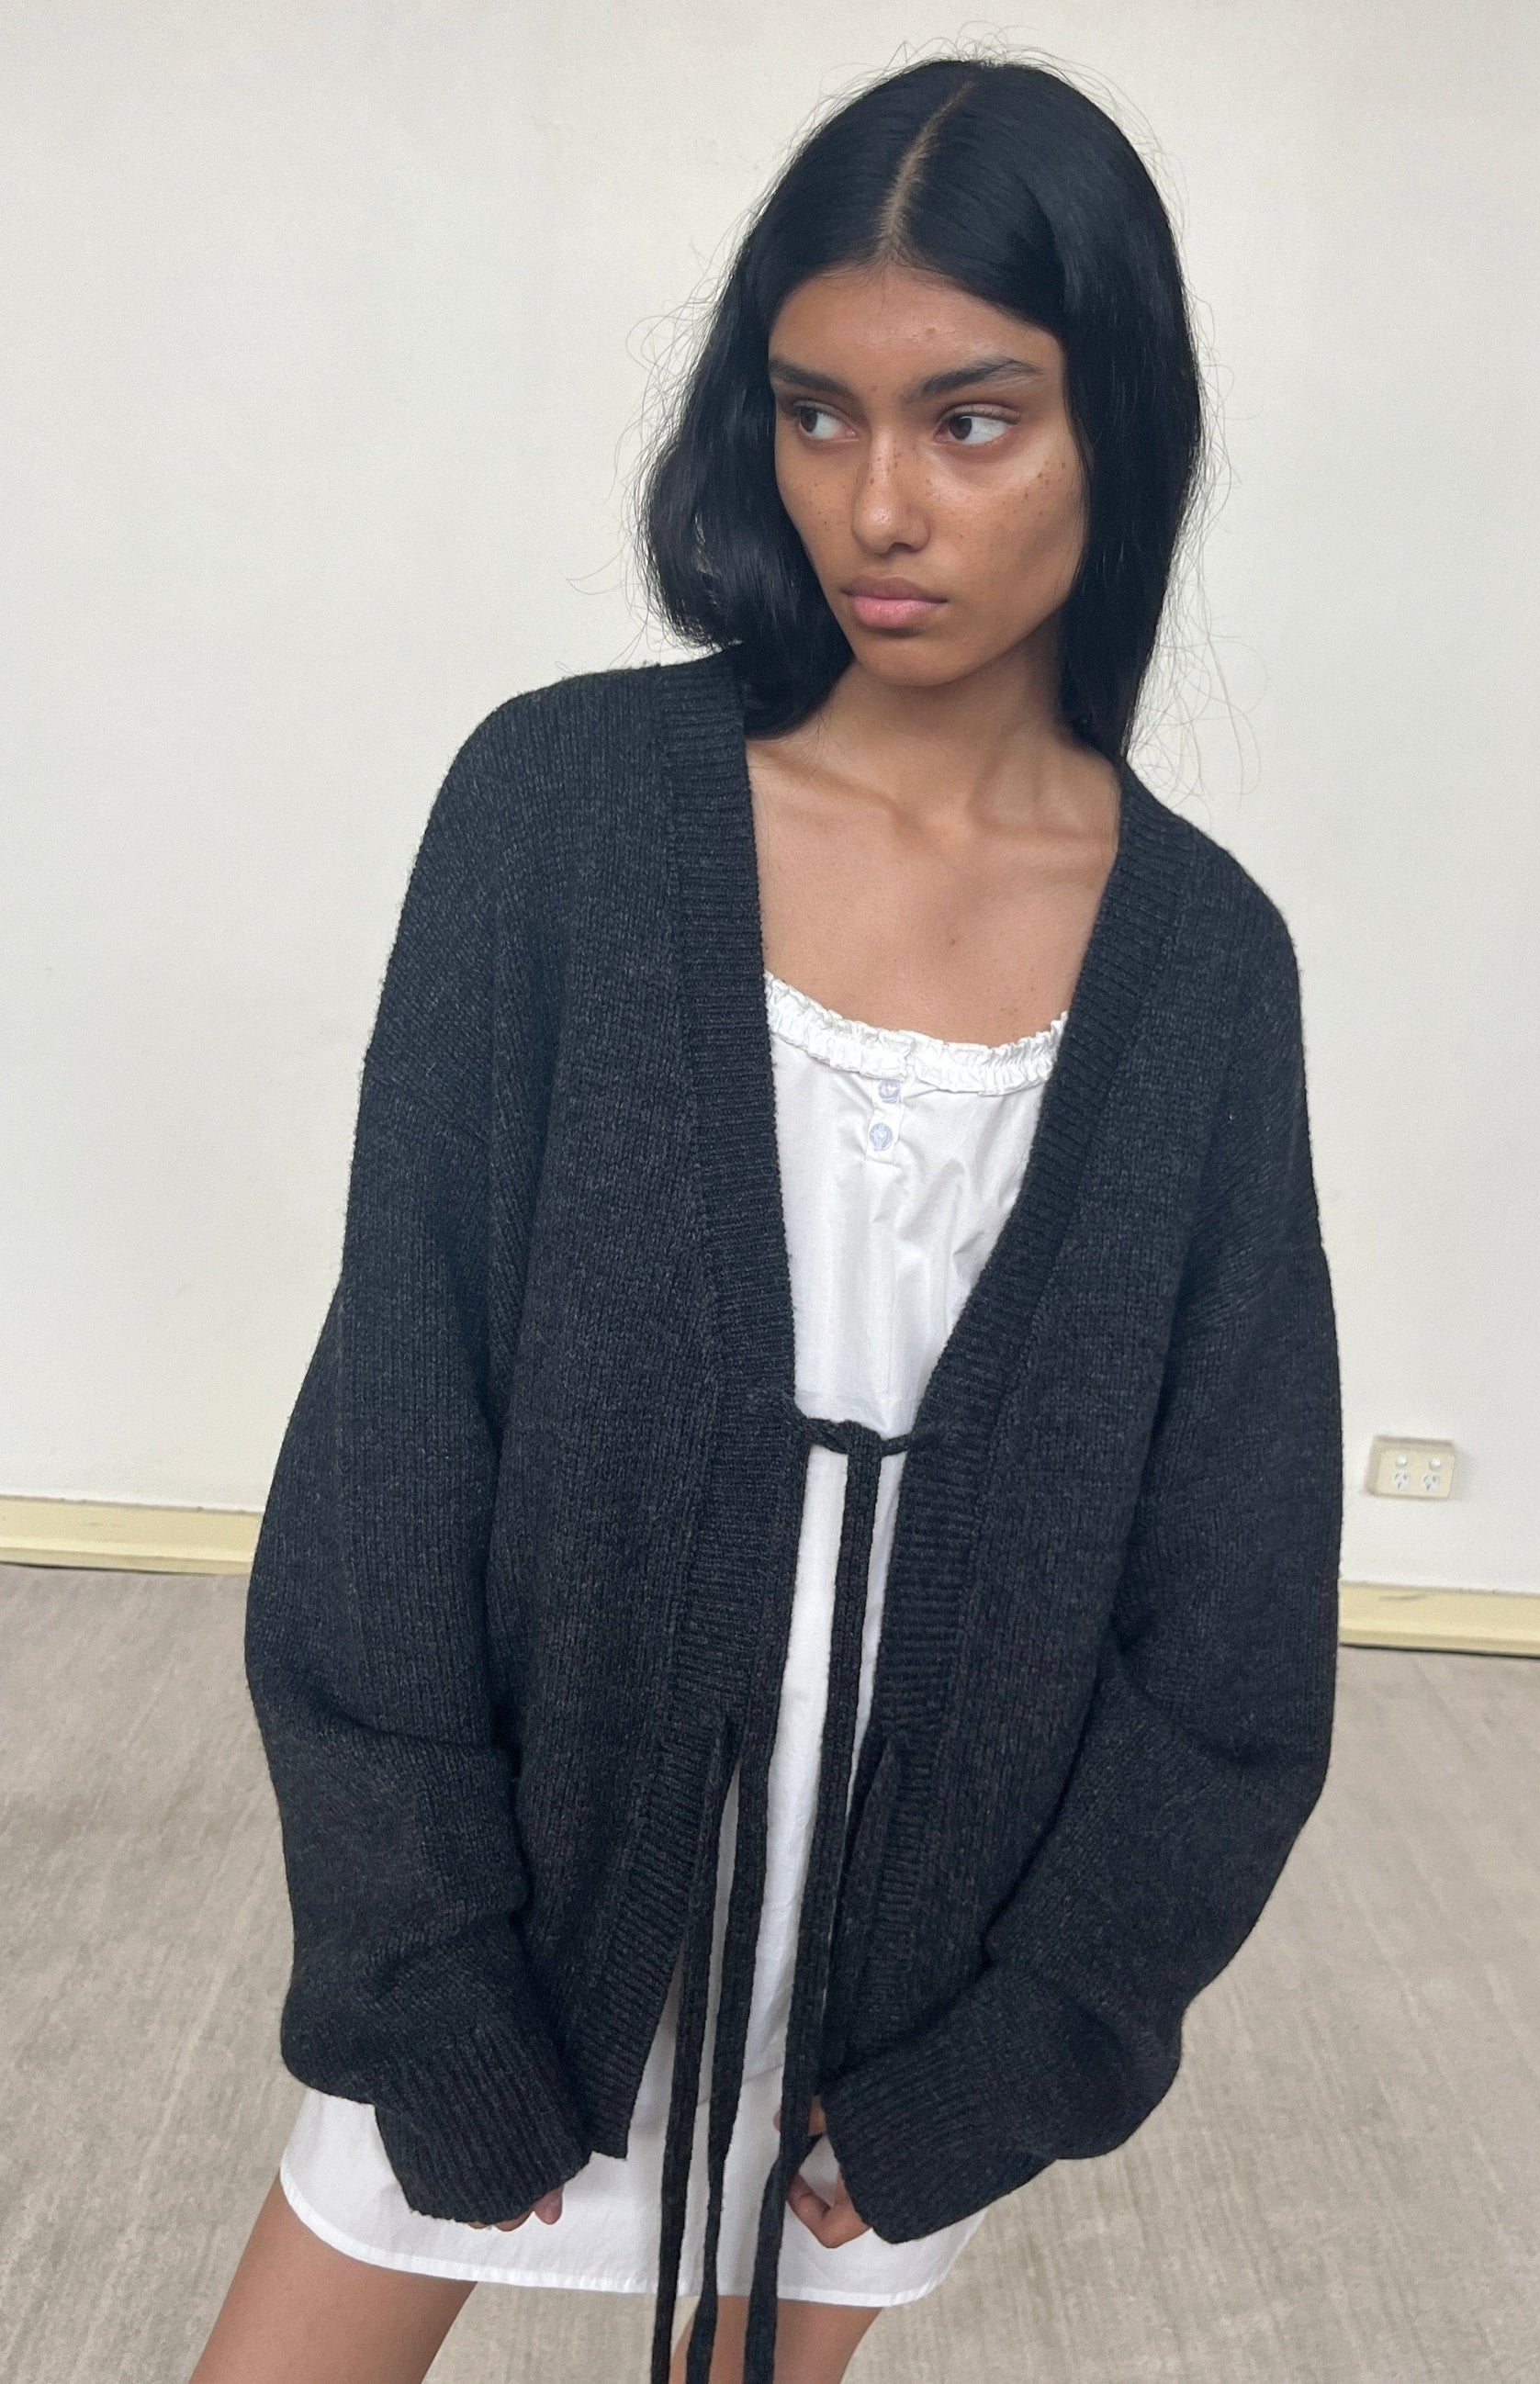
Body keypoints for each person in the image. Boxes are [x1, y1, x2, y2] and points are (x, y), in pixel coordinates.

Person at [191, 51, 1343, 2384]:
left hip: (900, 1976)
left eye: (973, 418)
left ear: (1117, 426)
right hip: (532, 1888)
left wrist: (1006, 2061)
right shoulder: (560, 816)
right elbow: (394, 1433)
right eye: (816, 413)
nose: (878, 502)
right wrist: (427, 1976)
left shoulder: (1203, 970)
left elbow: (1226, 1631)